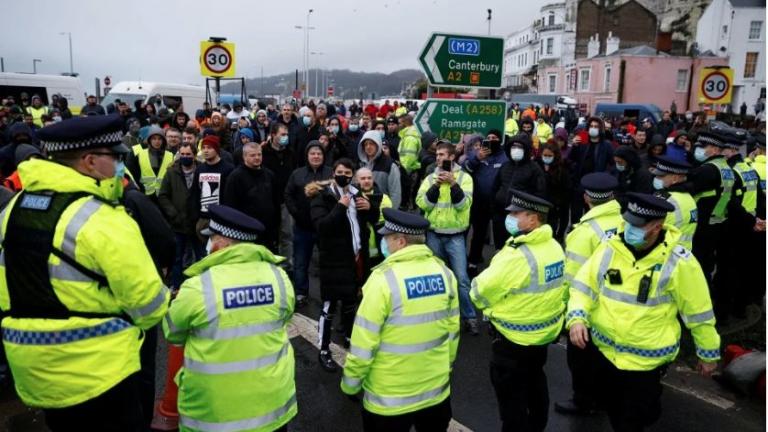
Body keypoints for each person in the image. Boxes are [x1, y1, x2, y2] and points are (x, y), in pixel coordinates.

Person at [0, 114, 169, 430]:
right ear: (90, 161)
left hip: (34, 371)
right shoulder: (103, 219)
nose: (122, 164)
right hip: (100, 374)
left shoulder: (15, 207)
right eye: (116, 157)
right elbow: (150, 307)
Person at [567, 193, 720, 432]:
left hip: (645, 362)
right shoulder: (609, 249)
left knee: (633, 420)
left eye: (638, 226)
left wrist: (708, 354)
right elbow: (584, 287)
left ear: (657, 227)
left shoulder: (679, 263)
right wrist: (577, 317)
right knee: (615, 412)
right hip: (607, 354)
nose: (629, 229)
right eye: (628, 222)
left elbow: (698, 312)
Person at [163, 204, 297, 432]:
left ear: (223, 242)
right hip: (273, 408)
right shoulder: (279, 276)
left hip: (215, 415)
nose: (209, 243)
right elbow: (283, 318)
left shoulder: (198, 286)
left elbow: (173, 333)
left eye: (212, 237)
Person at [341, 208, 459, 432]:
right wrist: (446, 366)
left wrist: (350, 384)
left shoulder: (382, 280)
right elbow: (452, 332)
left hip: (389, 400)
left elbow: (364, 343)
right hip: (435, 392)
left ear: (401, 241)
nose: (383, 242)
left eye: (386, 238)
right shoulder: (445, 273)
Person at [471, 189, 566, 432]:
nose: (510, 217)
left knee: (512, 401)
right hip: (542, 336)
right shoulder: (554, 246)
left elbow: (480, 292)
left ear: (533, 219)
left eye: (516, 213)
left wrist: (490, 305)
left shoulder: (516, 255)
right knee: (535, 385)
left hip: (512, 341)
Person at [555, 173, 622, 416]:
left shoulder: (585, 231)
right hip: (615, 301)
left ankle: (583, 401)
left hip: (588, 305)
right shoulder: (623, 220)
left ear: (586, 198)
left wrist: (565, 308)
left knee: (581, 358)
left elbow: (572, 275)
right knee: (604, 355)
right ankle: (602, 398)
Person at [309, 158, 379, 370]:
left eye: (348, 172)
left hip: (356, 259)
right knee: (329, 307)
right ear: (334, 172)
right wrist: (340, 207)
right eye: (340, 171)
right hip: (333, 260)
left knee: (350, 304)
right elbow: (322, 227)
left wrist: (370, 207)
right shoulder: (322, 197)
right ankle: (323, 349)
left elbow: (372, 220)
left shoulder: (357, 193)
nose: (344, 176)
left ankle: (349, 337)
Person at [415, 142, 477, 335]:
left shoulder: (465, 178)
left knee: (462, 279)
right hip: (433, 234)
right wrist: (435, 186)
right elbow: (422, 204)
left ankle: (470, 317)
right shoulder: (430, 178)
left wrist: (452, 184)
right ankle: (438, 315)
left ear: (452, 157)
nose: (439, 158)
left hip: (455, 236)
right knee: (436, 280)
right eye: (437, 155)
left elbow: (463, 205)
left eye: (443, 155)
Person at [687, 131, 734, 317]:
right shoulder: (726, 167)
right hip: (717, 221)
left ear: (714, 149)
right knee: (706, 266)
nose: (699, 150)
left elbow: (691, 187)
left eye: (703, 147)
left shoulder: (707, 170)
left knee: (698, 268)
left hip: (702, 224)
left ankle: (698, 306)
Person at [284, 141, 333, 307]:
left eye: (319, 153)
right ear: (307, 155)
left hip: (325, 228)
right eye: (312, 153)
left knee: (326, 263)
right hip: (302, 227)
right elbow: (288, 195)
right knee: (300, 263)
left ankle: (327, 294)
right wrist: (296, 213)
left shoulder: (330, 173)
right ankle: (301, 292)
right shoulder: (297, 174)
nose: (316, 156)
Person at [158, 141, 203, 291]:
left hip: (197, 223)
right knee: (177, 258)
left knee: (201, 257)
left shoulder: (202, 171)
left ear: (194, 155)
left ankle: (201, 286)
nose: (185, 157)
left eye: (188, 154)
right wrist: (173, 214)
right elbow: (163, 196)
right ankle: (177, 286)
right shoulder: (171, 172)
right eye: (182, 154)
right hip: (178, 223)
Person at [463, 129, 508, 275]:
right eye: (488, 137)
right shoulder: (478, 154)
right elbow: (465, 169)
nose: (491, 140)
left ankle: (500, 266)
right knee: (478, 233)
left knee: (500, 235)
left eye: (494, 138)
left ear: (499, 140)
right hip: (479, 202)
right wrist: (478, 158)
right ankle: (473, 262)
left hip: (497, 204)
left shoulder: (505, 158)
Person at [492, 133, 547, 248]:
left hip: (521, 217)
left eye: (520, 147)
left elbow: (540, 193)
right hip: (500, 214)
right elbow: (495, 187)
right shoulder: (505, 166)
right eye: (514, 147)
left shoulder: (534, 169)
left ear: (526, 150)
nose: (516, 150)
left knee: (516, 246)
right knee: (500, 245)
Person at [222, 142, 279, 251]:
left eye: (259, 154)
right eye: (253, 155)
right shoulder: (235, 177)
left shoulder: (269, 175)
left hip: (268, 232)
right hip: (245, 233)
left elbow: (275, 202)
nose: (257, 158)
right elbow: (230, 206)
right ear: (244, 157)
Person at [189, 135, 235, 240]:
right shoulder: (200, 169)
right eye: (203, 147)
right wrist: (195, 216)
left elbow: (230, 196)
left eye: (209, 148)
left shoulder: (228, 169)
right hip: (203, 218)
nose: (205, 151)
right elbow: (195, 192)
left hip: (221, 218)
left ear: (217, 149)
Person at [650, 155, 697, 250]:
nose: (656, 178)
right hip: (684, 253)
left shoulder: (664, 200)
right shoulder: (690, 198)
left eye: (660, 176)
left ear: (675, 178)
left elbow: (649, 231)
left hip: (664, 252)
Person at [355, 167, 392, 268]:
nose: (366, 181)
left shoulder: (384, 197)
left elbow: (385, 219)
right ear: (356, 180)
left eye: (369, 178)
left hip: (380, 248)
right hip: (360, 249)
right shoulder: (352, 198)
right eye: (363, 178)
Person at [357, 130, 402, 209]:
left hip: (384, 212)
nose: (368, 147)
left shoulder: (390, 165)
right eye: (366, 144)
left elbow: (395, 194)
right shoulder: (360, 164)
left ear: (378, 144)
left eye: (371, 143)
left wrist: (391, 216)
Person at [536, 142, 571, 241]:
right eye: (545, 155)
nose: (547, 157)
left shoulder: (562, 169)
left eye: (549, 156)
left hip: (555, 207)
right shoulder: (536, 166)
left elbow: (566, 190)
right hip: (539, 206)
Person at [128, 125, 173, 198]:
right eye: (154, 139)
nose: (157, 142)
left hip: (164, 195)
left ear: (163, 141)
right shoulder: (141, 154)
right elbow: (134, 173)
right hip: (145, 194)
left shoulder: (169, 155)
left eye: (159, 139)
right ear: (149, 140)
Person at [398, 114, 422, 208]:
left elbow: (409, 157)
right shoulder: (408, 135)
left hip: (409, 171)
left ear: (405, 123)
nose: (398, 125)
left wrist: (405, 170)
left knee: (409, 197)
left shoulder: (410, 138)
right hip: (410, 170)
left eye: (400, 123)